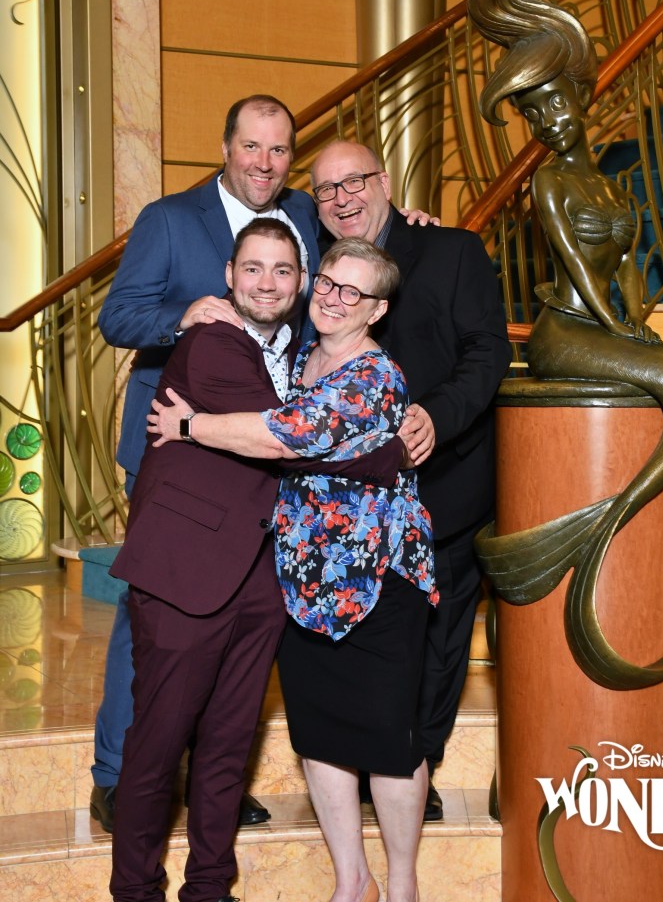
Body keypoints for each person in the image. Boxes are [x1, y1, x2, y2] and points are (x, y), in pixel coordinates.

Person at [109, 220, 404, 902]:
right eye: (252, 268)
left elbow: (313, 425)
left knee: (227, 747)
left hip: (263, 578)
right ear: (228, 277)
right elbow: (290, 438)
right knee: (157, 746)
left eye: (282, 270)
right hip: (184, 573)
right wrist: (385, 445)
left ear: (301, 283)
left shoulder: (303, 355)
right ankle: (135, 891)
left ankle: (210, 888)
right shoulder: (211, 341)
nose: (266, 283)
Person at [468, 0, 663, 689]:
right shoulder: (549, 184)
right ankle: (607, 522)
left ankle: (605, 521)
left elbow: (626, 266)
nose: (547, 121)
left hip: (605, 323)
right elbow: (575, 267)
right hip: (566, 332)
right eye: (532, 113)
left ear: (578, 96)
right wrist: (619, 330)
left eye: (553, 103)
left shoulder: (610, 183)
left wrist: (637, 321)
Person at [92, 94, 320, 831]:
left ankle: (214, 776)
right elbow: (117, 316)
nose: (264, 163)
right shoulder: (168, 219)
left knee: (238, 620)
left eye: (279, 150)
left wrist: (405, 224)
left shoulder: (305, 216)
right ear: (225, 148)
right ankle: (120, 774)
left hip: (263, 458)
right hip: (177, 450)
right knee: (154, 619)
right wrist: (181, 315)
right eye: (251, 146)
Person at [308, 141, 512, 819]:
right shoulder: (317, 268)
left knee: (438, 642)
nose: (342, 198)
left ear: (385, 182)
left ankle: (413, 765)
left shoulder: (451, 250)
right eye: (326, 189)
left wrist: (436, 416)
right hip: (343, 511)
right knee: (359, 640)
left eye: (354, 182)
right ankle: (364, 756)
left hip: (441, 489)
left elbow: (487, 351)